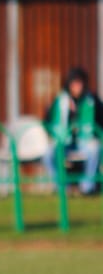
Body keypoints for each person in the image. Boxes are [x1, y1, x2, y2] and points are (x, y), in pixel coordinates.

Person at [42, 67, 103, 195]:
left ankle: (87, 187)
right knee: (48, 154)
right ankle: (62, 186)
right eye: (74, 83)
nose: (77, 87)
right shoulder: (60, 101)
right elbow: (48, 120)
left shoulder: (92, 101)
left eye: (79, 83)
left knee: (95, 149)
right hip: (64, 142)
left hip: (85, 141)